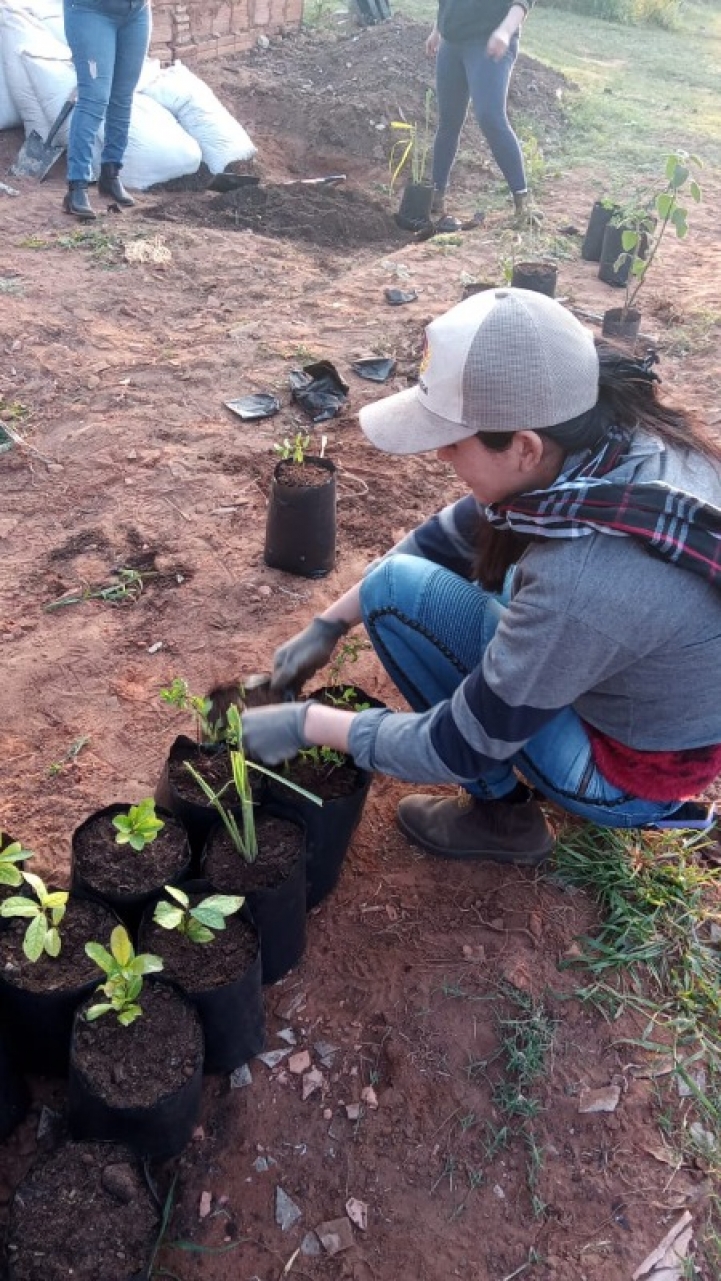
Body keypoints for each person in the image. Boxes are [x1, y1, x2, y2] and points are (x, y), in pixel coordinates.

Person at [240, 288, 721, 866]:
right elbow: (449, 534)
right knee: (389, 583)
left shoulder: (587, 575)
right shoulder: (608, 447)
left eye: (451, 442)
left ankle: (503, 821)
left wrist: (304, 723)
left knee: (397, 598)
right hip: (644, 701)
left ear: (523, 446)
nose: (441, 457)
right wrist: (330, 623)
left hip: (627, 774)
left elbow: (457, 746)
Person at [424, 0, 536, 227]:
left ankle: (523, 201)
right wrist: (438, 29)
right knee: (448, 121)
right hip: (452, 42)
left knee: (490, 117)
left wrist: (505, 31)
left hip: (490, 40)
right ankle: (436, 196)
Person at [63, 0, 151, 219]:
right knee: (94, 98)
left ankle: (111, 174)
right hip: (91, 11)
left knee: (122, 97)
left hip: (136, 12)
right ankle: (77, 186)